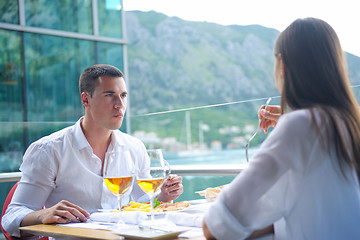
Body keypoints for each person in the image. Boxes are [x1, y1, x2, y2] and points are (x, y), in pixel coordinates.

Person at [203, 18, 360, 239]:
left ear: (283, 65)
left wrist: (293, 120)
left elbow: (215, 227)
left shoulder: (300, 126)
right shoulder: (350, 123)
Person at [1, 64, 183, 238]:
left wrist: (163, 196)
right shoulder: (49, 150)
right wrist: (43, 215)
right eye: (110, 95)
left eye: (123, 95)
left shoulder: (135, 147)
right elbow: (11, 218)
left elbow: (142, 205)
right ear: (85, 99)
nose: (119, 104)